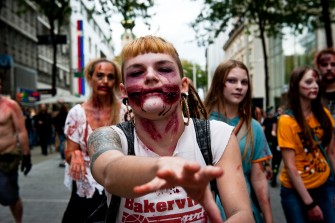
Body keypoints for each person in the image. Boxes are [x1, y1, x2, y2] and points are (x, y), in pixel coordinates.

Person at [87, 36, 254, 222]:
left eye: (164, 69)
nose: (150, 76)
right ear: (124, 91)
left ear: (184, 86)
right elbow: (109, 172)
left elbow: (242, 214)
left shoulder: (218, 137)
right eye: (136, 73)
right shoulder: (107, 137)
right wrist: (162, 167)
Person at [204, 59, 273, 223]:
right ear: (219, 83)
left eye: (244, 82)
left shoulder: (253, 128)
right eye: (232, 80)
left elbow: (258, 179)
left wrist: (269, 218)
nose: (239, 86)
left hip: (243, 211)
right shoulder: (200, 122)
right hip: (205, 210)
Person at [62, 58, 126, 223]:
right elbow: (69, 151)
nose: (105, 81)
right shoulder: (77, 113)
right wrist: (74, 154)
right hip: (85, 185)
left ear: (116, 81)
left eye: (110, 77)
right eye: (100, 75)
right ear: (90, 78)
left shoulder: (124, 112)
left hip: (116, 185)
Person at [277, 66, 335, 223]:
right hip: (294, 191)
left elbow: (331, 153)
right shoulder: (286, 121)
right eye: (309, 82)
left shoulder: (324, 115)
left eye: (316, 82)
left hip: (325, 184)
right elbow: (290, 167)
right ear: (296, 86)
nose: (315, 86)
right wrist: (310, 204)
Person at [0, 77, 32, 223]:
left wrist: (26, 155)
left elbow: (21, 131)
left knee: (11, 196)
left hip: (7, 157)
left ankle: (18, 221)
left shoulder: (10, 105)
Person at [262, 106, 281, 187]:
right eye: (270, 112)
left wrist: (274, 133)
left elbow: (274, 129)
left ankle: (274, 176)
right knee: (268, 159)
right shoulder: (266, 120)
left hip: (275, 143)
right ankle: (270, 173)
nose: (271, 113)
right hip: (268, 143)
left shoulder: (275, 119)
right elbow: (263, 129)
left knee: (275, 161)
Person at [314, 48, 335, 120]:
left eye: (333, 64)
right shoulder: (312, 91)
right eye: (324, 65)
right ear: (318, 67)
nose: (329, 68)